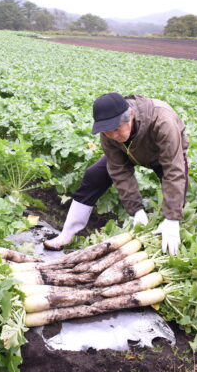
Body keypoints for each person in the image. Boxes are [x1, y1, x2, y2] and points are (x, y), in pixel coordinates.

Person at [44, 92, 189, 255]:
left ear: (131, 115)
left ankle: (173, 235)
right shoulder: (108, 132)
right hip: (128, 151)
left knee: (176, 191)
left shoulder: (162, 121)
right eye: (107, 132)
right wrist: (136, 210)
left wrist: (172, 218)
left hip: (162, 153)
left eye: (116, 129)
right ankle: (66, 235)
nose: (113, 136)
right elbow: (119, 170)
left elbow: (174, 170)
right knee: (94, 176)